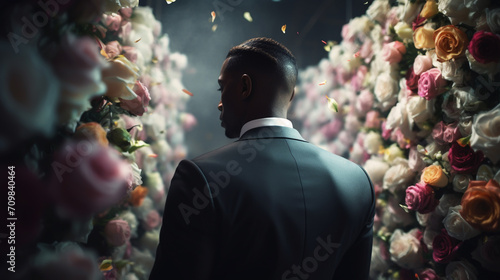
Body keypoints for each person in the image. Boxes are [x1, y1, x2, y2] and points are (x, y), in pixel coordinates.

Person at [149, 37, 375, 280]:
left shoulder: (200, 177)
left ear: (245, 87)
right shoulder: (357, 181)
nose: (219, 103)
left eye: (222, 88)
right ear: (290, 95)